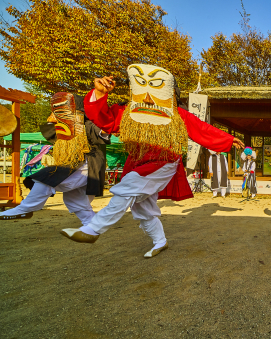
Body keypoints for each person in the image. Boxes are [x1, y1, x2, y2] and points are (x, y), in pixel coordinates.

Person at [60, 64, 244, 258]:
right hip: (138, 162)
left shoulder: (177, 115)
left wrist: (229, 139)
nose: (148, 97)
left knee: (126, 189)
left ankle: (92, 230)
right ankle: (160, 241)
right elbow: (106, 121)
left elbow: (201, 129)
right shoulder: (128, 112)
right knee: (142, 208)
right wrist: (99, 93)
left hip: (163, 162)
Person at [0, 92, 110, 224]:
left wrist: (109, 124)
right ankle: (92, 227)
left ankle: (24, 209)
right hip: (77, 167)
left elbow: (103, 133)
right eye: (55, 110)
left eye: (62, 110)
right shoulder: (62, 128)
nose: (56, 116)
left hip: (87, 166)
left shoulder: (86, 125)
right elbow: (50, 132)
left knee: (48, 177)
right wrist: (54, 119)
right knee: (75, 200)